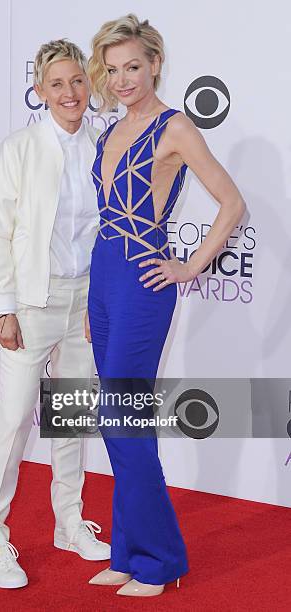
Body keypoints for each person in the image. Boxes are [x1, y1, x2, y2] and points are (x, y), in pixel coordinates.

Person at [86, 14, 246, 597]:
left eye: (134, 66)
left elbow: (231, 204)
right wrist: (89, 298)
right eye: (113, 69)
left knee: (122, 421)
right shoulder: (110, 129)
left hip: (142, 281)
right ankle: (128, 550)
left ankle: (160, 558)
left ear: (155, 63)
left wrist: (188, 264)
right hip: (103, 280)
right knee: (117, 421)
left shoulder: (174, 128)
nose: (124, 79)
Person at [0, 39, 110, 590]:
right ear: (39, 91)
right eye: (57, 83)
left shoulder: (105, 142)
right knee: (12, 423)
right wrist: (3, 308)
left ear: (88, 83)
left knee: (71, 416)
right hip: (32, 302)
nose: (70, 92)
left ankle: (68, 522)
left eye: (77, 80)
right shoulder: (20, 148)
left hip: (85, 299)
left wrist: (99, 300)